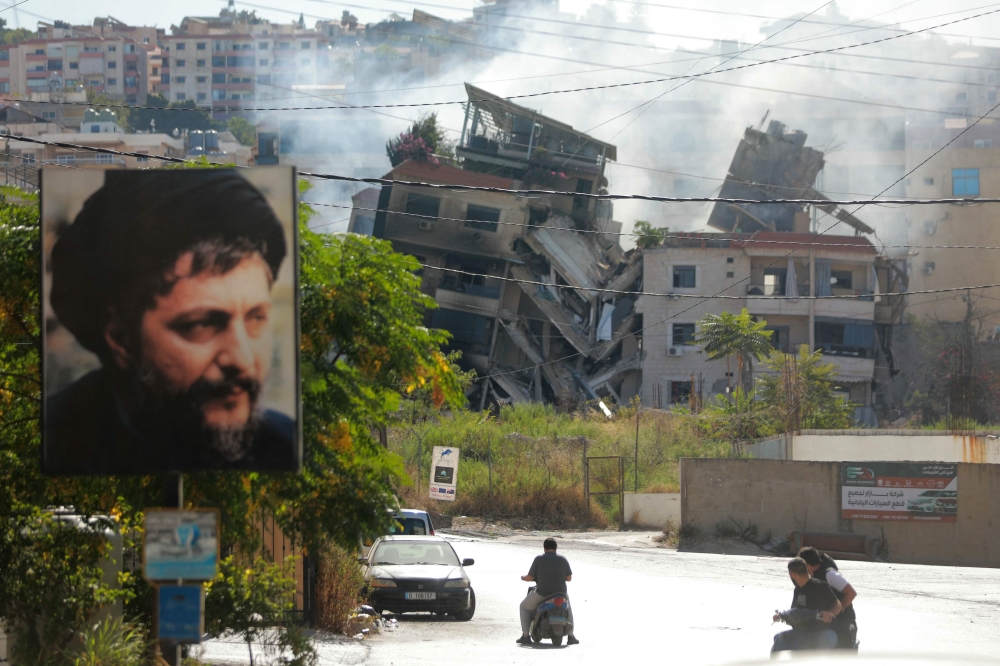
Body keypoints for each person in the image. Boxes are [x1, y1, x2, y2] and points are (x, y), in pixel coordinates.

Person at [43, 170, 296, 475]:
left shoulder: (286, 447)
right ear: (121, 337)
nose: (241, 359)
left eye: (256, 318)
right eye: (201, 324)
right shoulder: (55, 449)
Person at [772, 557, 843, 653]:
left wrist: (829, 613)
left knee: (821, 648)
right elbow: (795, 611)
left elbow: (838, 605)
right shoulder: (798, 589)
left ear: (793, 574)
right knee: (779, 639)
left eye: (790, 575)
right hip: (803, 632)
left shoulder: (820, 586)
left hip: (824, 631)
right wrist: (781, 616)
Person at [517, 538, 578, 645]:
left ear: (544, 548)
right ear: (556, 548)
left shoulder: (539, 559)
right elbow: (569, 578)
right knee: (568, 610)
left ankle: (526, 635)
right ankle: (571, 636)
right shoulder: (563, 559)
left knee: (524, 607)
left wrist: (523, 578)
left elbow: (530, 577)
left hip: (542, 593)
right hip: (561, 594)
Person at [798, 546, 859, 648]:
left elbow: (851, 593)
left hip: (844, 621)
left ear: (807, 565)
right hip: (824, 622)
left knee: (842, 647)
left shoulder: (830, 574)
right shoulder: (812, 577)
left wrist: (836, 610)